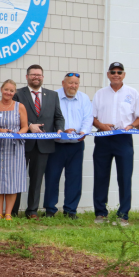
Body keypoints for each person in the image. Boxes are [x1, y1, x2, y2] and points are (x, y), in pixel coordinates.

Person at [92, 62, 139, 225]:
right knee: (101, 176)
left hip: (123, 138)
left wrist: (131, 125)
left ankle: (123, 215)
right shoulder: (100, 94)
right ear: (108, 74)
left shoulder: (132, 93)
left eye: (119, 72)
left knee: (124, 177)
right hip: (103, 137)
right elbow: (92, 117)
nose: (116, 74)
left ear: (124, 75)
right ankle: (100, 213)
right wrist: (101, 125)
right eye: (113, 72)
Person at [11, 64, 64, 219]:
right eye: (33, 74)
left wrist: (59, 129)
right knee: (18, 178)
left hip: (44, 145)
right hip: (22, 144)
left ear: (43, 77)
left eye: (39, 75)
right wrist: (28, 127)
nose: (36, 77)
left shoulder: (52, 95)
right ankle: (12, 211)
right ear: (27, 77)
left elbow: (58, 117)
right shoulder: (18, 94)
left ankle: (32, 211)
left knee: (37, 180)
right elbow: (13, 117)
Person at [43, 73, 92, 219]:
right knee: (52, 177)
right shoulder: (53, 96)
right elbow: (48, 117)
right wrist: (62, 131)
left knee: (74, 179)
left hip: (76, 145)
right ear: (63, 83)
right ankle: (50, 210)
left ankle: (70, 210)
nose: (73, 86)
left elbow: (88, 118)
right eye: (70, 83)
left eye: (76, 83)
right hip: (56, 144)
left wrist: (83, 132)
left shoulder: (83, 98)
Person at [0, 80, 28, 220]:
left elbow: (25, 126)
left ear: (14, 92)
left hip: (15, 148)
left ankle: (8, 213)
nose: (8, 93)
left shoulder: (20, 107)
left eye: (11, 91)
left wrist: (19, 134)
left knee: (13, 181)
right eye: (6, 89)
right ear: (1, 89)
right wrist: (0, 130)